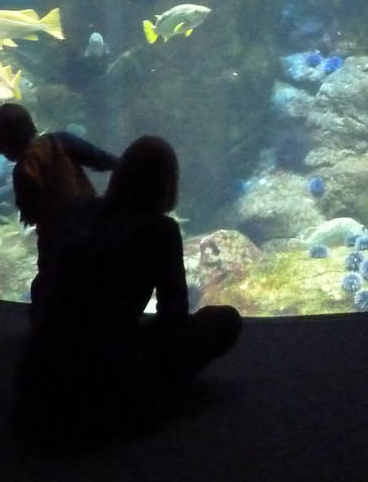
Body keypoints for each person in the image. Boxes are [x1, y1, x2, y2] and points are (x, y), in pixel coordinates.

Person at [13, 136, 241, 448]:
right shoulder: (161, 230)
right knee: (223, 320)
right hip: (110, 386)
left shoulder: (76, 210)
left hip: (37, 378)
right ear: (167, 183)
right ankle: (150, 396)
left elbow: (45, 286)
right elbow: (172, 315)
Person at [0, 103, 117, 306]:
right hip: (90, 222)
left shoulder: (22, 170)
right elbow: (101, 159)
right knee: (95, 274)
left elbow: (29, 211)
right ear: (31, 125)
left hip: (54, 236)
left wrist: (28, 215)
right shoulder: (61, 140)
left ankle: (50, 322)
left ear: (3, 146)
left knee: (53, 281)